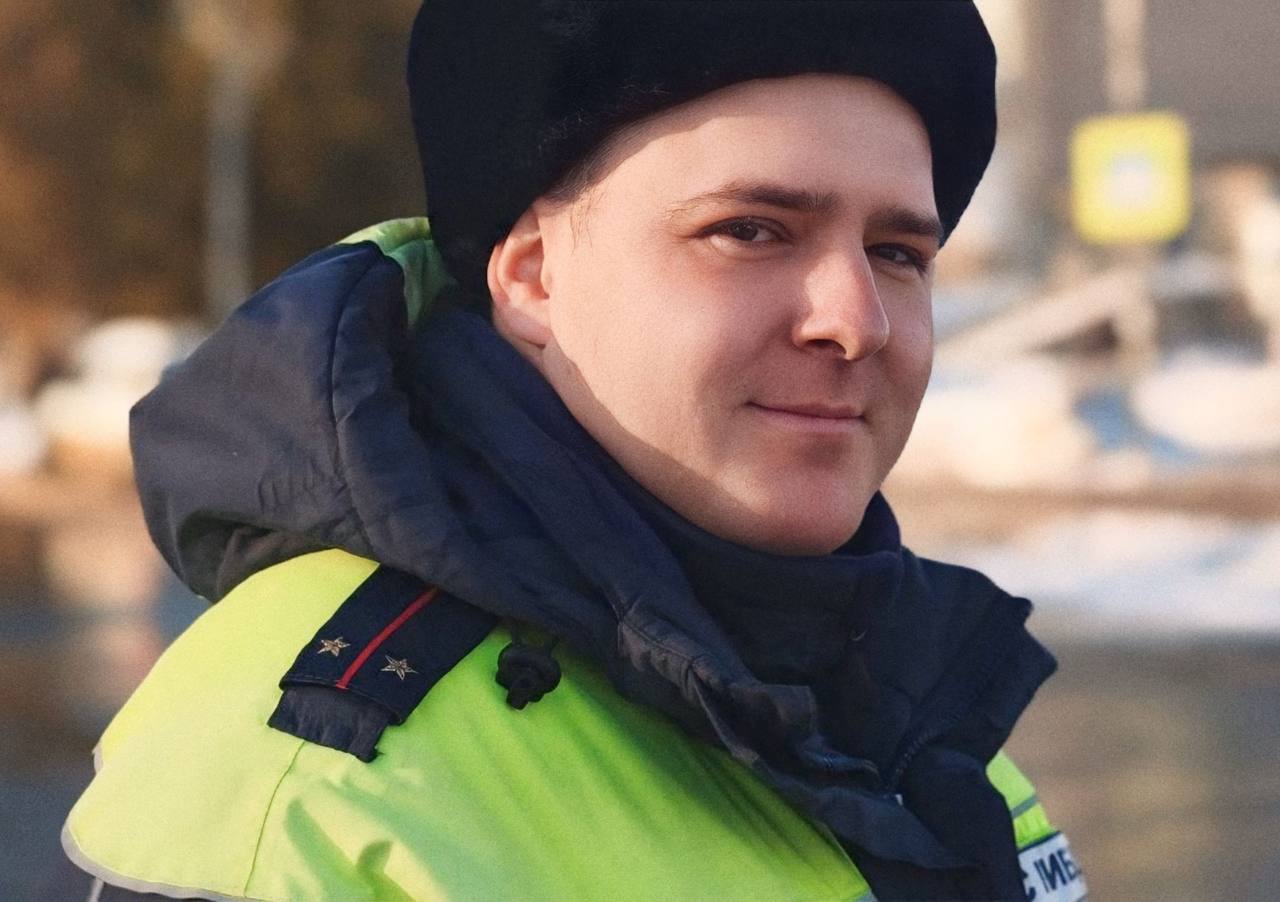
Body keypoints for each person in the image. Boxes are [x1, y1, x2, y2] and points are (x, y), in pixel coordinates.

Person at [62, 2, 1086, 900]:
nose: (855, 321)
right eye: (751, 230)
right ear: (534, 277)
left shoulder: (917, 710)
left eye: (897, 253)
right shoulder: (311, 791)